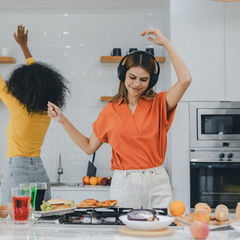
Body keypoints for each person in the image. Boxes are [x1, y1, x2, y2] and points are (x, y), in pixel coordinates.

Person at [47, 28, 192, 208]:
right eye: (132, 77)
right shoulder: (110, 110)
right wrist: (63, 120)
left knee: (158, 233)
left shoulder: (160, 103)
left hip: (157, 181)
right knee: (124, 232)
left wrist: (166, 43)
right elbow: (88, 146)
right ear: (123, 75)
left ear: (151, 81)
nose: (137, 84)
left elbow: (185, 79)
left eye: (144, 79)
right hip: (125, 183)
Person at [0, 25, 69, 202]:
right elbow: (38, 78)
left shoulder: (17, 106)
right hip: (40, 172)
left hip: (18, 171)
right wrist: (24, 46)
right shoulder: (47, 110)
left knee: (13, 224)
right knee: (40, 221)